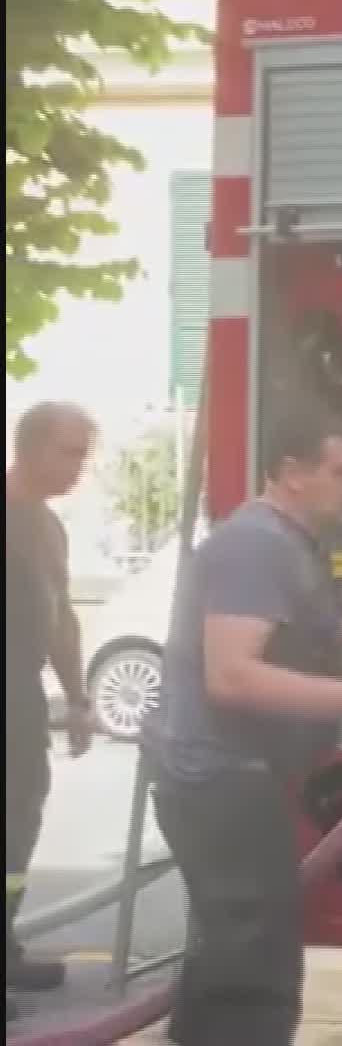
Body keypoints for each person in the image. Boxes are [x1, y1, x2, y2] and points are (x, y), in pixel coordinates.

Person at [141, 407, 342, 1046]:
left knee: (228, 962)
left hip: (227, 783)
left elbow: (278, 638)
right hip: (221, 785)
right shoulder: (256, 544)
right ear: (291, 471)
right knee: (256, 976)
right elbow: (231, 676)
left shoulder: (284, 543)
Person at [5, 402, 98, 1021]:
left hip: (20, 698)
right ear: (30, 449)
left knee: (18, 825)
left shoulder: (48, 527)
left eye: (83, 455)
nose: (79, 468)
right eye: (69, 453)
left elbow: (62, 616)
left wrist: (79, 696)